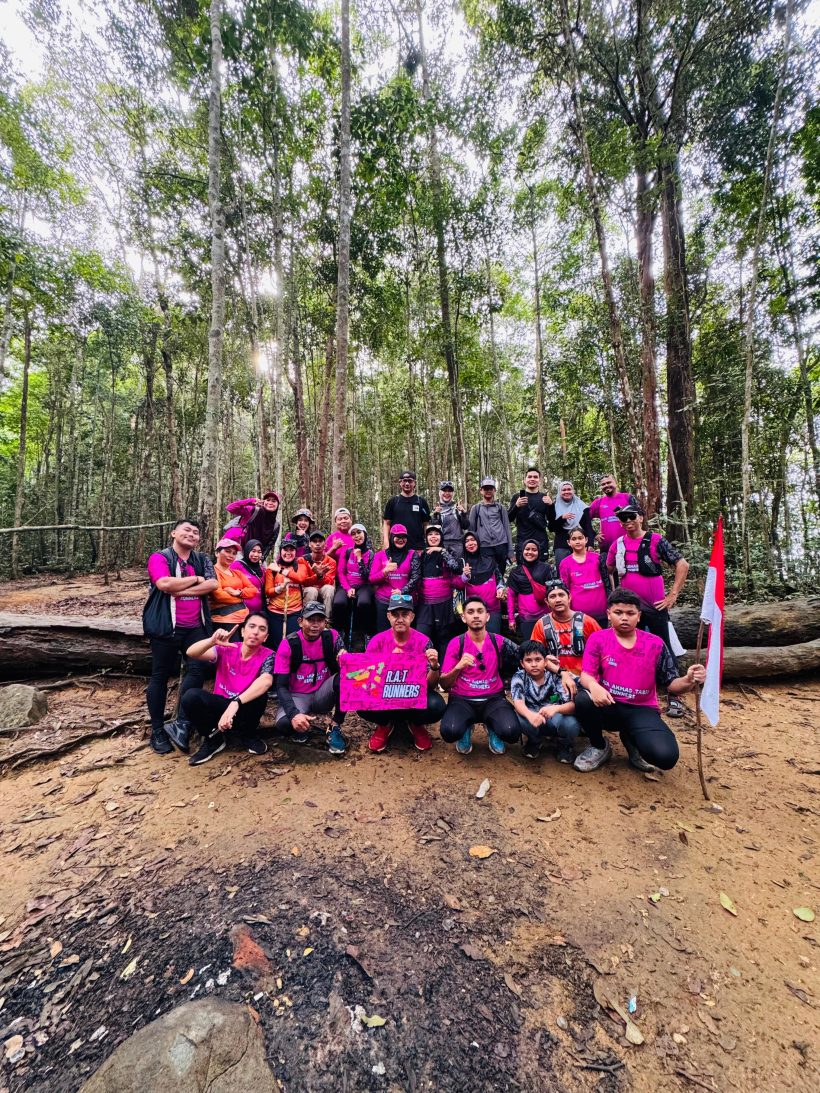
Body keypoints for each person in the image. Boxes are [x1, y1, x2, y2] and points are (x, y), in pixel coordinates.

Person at [573, 589, 706, 773]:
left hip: (641, 708)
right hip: (608, 704)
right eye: (618, 613)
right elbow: (586, 675)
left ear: (639, 616)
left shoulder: (655, 644)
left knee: (665, 757)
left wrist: (690, 679)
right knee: (582, 699)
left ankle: (632, 739)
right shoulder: (598, 639)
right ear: (608, 615)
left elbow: (672, 684)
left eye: (630, 613)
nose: (624, 618)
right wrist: (594, 686)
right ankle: (599, 745)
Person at [605, 503, 689, 716]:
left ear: (641, 517)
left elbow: (682, 564)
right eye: (623, 518)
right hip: (628, 609)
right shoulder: (618, 544)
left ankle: (674, 696)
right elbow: (609, 568)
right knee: (626, 646)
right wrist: (614, 596)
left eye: (631, 516)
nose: (627, 521)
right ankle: (628, 689)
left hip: (654, 605)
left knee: (664, 647)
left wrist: (672, 595)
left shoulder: (655, 540)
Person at [143, 519, 218, 755]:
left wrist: (180, 588)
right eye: (187, 530)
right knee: (160, 675)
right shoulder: (160, 557)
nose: (192, 535)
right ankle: (157, 730)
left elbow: (213, 584)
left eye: (196, 533)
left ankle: (182, 723)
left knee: (198, 669)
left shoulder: (202, 559)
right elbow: (164, 583)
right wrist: (196, 580)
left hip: (195, 625)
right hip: (166, 625)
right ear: (174, 532)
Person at [167, 613, 275, 764]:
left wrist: (236, 702)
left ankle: (248, 734)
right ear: (243, 631)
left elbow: (266, 681)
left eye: (261, 629)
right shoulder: (228, 648)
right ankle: (213, 739)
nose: (256, 632)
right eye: (251, 626)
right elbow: (191, 652)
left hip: (244, 710)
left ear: (266, 637)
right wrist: (211, 642)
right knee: (190, 696)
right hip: (220, 711)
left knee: (260, 694)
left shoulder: (269, 656)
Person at [358, 592, 446, 753]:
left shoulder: (424, 642)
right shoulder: (376, 642)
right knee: (359, 698)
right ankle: (385, 724)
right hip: (386, 695)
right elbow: (368, 680)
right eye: (395, 614)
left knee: (436, 705)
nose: (400, 619)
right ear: (388, 616)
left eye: (405, 614)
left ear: (412, 616)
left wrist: (434, 667)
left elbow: (430, 686)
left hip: (413, 695)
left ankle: (415, 724)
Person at [439, 597, 522, 756]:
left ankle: (492, 726)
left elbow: (525, 655)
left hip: (493, 698)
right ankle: (466, 727)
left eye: (480, 611)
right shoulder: (456, 643)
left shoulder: (498, 641)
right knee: (450, 731)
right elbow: (444, 683)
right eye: (470, 612)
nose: (476, 616)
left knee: (511, 732)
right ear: (464, 617)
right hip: (462, 699)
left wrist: (558, 669)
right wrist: (458, 667)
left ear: (487, 616)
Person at [273, 602, 347, 754]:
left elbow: (343, 651)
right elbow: (280, 686)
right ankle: (301, 726)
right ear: (300, 621)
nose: (315, 625)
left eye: (319, 620)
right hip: (298, 695)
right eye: (310, 620)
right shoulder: (289, 644)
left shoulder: (331, 636)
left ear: (325, 622)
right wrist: (293, 714)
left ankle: (334, 727)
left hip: (322, 692)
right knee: (284, 724)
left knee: (345, 679)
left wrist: (344, 654)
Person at [511, 640, 581, 762]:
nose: (534, 664)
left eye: (538, 659)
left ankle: (565, 744)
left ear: (545, 662)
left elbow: (572, 706)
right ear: (522, 663)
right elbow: (518, 702)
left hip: (556, 716)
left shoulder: (557, 677)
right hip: (534, 716)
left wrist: (556, 708)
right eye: (528, 660)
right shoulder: (519, 677)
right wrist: (530, 715)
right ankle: (534, 741)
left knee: (571, 724)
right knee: (520, 718)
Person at [531, 581, 602, 691]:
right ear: (547, 602)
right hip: (556, 678)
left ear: (569, 598)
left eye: (561, 595)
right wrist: (561, 672)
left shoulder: (587, 622)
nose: (558, 599)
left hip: (586, 679)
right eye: (553, 596)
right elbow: (535, 657)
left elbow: (603, 652)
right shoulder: (541, 625)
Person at [405, 524, 462, 657]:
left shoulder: (446, 553)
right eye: (430, 534)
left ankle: (444, 671)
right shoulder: (420, 555)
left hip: (444, 603)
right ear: (426, 537)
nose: (433, 536)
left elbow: (456, 568)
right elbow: (415, 576)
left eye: (436, 534)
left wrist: (441, 550)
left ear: (441, 537)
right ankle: (422, 671)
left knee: (444, 637)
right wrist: (403, 591)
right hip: (425, 603)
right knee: (422, 636)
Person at [263, 534, 314, 646]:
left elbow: (301, 578)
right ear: (280, 551)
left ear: (295, 552)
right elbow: (268, 591)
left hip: (294, 612)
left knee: (293, 644)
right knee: (275, 644)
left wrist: (281, 570)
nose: (288, 553)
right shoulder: (272, 568)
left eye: (291, 550)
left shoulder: (300, 565)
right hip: (275, 612)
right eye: (285, 550)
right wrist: (280, 588)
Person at [453, 531, 506, 633]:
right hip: (472, 611)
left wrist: (500, 588)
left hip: (492, 608)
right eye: (467, 541)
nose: (470, 543)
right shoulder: (461, 562)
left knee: (492, 640)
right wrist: (465, 577)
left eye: (473, 540)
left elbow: (499, 577)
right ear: (464, 545)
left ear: (478, 541)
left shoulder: (489, 559)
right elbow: (455, 584)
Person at [558, 527, 611, 625]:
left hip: (600, 610)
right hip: (578, 614)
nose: (577, 541)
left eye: (580, 538)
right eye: (574, 539)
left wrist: (611, 605)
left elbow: (606, 582)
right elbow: (564, 589)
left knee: (600, 638)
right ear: (568, 542)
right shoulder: (565, 563)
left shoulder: (597, 558)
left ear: (586, 540)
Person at [333, 523, 375, 645]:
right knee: (338, 602)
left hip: (364, 585)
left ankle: (367, 633)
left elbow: (368, 576)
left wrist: (359, 559)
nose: (356, 536)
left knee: (364, 602)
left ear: (365, 534)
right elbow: (341, 572)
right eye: (353, 534)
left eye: (359, 533)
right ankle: (339, 632)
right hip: (347, 585)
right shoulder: (347, 552)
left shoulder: (371, 554)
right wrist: (347, 588)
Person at [370, 523, 415, 632]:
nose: (401, 539)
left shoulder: (412, 554)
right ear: (391, 537)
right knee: (383, 633)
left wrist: (403, 591)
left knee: (404, 635)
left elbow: (416, 577)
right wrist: (385, 571)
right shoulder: (380, 555)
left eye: (403, 537)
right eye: (397, 536)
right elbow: (371, 579)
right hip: (384, 601)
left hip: (405, 602)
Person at [507, 540, 555, 641]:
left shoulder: (546, 568)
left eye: (534, 550)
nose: (530, 552)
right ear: (522, 551)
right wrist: (511, 618)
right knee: (531, 647)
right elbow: (510, 596)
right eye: (527, 549)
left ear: (539, 552)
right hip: (526, 617)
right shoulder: (515, 572)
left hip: (546, 615)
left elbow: (553, 592)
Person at [209, 538, 257, 632]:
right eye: (227, 551)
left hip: (244, 619)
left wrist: (237, 593)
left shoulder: (238, 573)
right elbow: (219, 596)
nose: (231, 555)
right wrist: (242, 597)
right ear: (217, 553)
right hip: (224, 620)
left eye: (234, 553)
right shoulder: (212, 572)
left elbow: (253, 590)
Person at [468, 477, 514, 571]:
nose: (488, 491)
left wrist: (510, 551)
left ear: (494, 490)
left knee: (500, 572)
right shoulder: (476, 508)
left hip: (501, 545)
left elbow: (507, 528)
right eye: (485, 488)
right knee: (487, 573)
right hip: (484, 546)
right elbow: (471, 531)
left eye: (490, 488)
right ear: (481, 490)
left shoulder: (501, 508)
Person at [508, 468, 553, 561]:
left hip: (541, 541)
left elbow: (552, 520)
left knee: (541, 570)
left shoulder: (544, 497)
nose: (532, 479)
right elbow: (508, 518)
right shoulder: (517, 497)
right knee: (523, 571)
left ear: (539, 481)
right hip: (523, 541)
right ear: (525, 480)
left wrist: (551, 505)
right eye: (529, 477)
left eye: (535, 477)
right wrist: (516, 506)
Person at [589, 474, 640, 553]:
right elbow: (584, 519)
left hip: (628, 544)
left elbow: (640, 516)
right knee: (608, 565)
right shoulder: (598, 502)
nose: (606, 485)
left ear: (615, 483)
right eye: (603, 484)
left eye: (609, 482)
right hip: (606, 547)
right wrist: (593, 534)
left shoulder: (627, 497)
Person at [222, 491, 281, 556]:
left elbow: (269, 546)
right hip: (237, 549)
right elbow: (230, 508)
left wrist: (261, 559)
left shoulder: (275, 525)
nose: (270, 503)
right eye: (268, 500)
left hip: (255, 555)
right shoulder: (253, 511)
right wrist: (251, 501)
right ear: (263, 501)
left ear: (278, 504)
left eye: (273, 501)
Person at [550, 481, 594, 566]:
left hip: (579, 542)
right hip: (561, 544)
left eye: (569, 489)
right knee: (562, 570)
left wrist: (590, 544)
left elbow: (587, 526)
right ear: (560, 492)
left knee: (581, 569)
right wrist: (562, 518)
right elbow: (551, 528)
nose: (567, 492)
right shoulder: (554, 506)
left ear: (573, 491)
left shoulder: (582, 506)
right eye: (564, 490)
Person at [383, 471, 430, 550]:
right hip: (396, 547)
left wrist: (428, 544)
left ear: (414, 483)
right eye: (404, 481)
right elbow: (386, 523)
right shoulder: (393, 501)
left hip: (417, 547)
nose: (407, 483)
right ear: (400, 483)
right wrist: (386, 542)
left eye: (410, 481)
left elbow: (426, 524)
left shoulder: (421, 501)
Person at [302, 530, 337, 616]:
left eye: (320, 541)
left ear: (325, 544)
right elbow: (303, 581)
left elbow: (330, 581)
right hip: (308, 589)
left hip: (323, 589)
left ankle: (326, 621)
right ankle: (308, 618)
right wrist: (317, 576)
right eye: (314, 541)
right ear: (310, 544)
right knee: (312, 590)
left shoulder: (331, 561)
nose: (317, 544)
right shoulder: (303, 560)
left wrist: (321, 576)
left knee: (329, 588)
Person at [230, 538, 267, 614]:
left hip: (259, 611)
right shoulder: (237, 565)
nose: (256, 555)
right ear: (247, 550)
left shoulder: (262, 569)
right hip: (241, 611)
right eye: (253, 551)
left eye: (259, 552)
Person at [434, 481, 469, 559]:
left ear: (453, 493)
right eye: (444, 490)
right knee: (444, 569)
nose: (447, 493)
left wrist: (463, 513)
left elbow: (466, 526)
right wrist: (435, 515)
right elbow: (434, 531)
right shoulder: (436, 509)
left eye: (449, 491)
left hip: (458, 544)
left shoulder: (457, 507)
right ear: (440, 493)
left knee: (459, 568)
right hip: (443, 544)